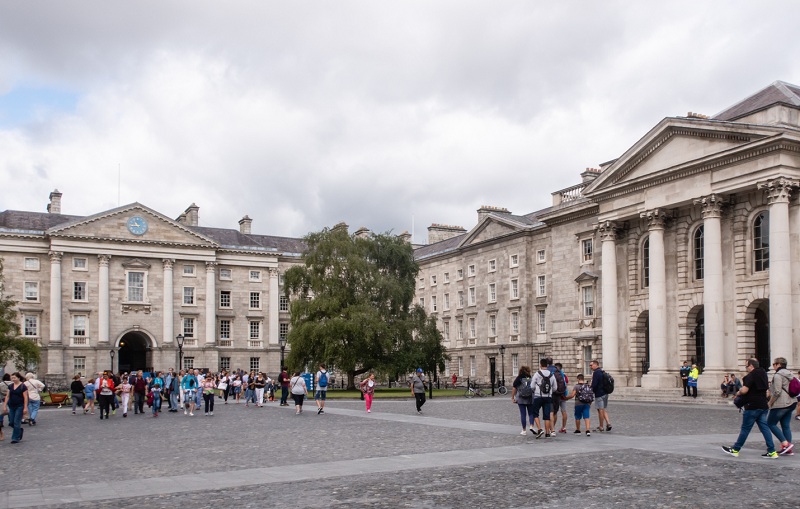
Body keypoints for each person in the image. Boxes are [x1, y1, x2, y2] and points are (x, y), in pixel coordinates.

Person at [722, 358, 777, 458]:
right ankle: (772, 451)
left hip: (752, 406)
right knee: (765, 429)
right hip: (763, 405)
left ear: (751, 366)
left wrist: (738, 392)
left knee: (745, 429)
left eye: (746, 366)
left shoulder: (751, 376)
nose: (746, 368)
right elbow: (767, 390)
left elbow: (744, 390)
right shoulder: (764, 374)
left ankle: (735, 449)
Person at [767, 357, 796, 455]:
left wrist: (770, 402)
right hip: (792, 402)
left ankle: (786, 444)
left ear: (778, 364)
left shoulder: (778, 375)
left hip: (781, 403)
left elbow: (777, 391)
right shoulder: (790, 374)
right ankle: (788, 449)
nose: (773, 366)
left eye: (774, 364)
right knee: (785, 425)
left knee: (770, 423)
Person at [531, 359, 556, 438]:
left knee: (535, 413)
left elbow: (532, 386)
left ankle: (539, 429)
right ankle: (547, 432)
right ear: (547, 365)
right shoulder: (551, 375)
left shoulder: (537, 374)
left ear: (540, 365)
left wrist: (536, 389)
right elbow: (555, 387)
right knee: (547, 415)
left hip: (538, 396)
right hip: (548, 397)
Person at [3, 372, 29, 444]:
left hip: (20, 406)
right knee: (11, 422)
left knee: (16, 422)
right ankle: (19, 430)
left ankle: (15, 438)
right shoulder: (10, 386)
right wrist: (5, 405)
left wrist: (25, 407)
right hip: (11, 406)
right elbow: (7, 396)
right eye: (12, 378)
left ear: (19, 378)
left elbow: (25, 397)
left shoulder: (23, 386)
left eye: (14, 378)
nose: (13, 379)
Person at [511, 366, 535, 435]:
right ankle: (531, 425)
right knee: (531, 413)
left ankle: (524, 430)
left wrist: (513, 397)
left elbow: (514, 388)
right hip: (530, 398)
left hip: (521, 398)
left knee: (523, 414)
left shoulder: (519, 378)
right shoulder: (530, 378)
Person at [590, 360, 612, 432]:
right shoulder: (603, 372)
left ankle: (601, 426)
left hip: (599, 394)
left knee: (600, 410)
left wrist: (591, 390)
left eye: (591, 365)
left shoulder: (596, 373)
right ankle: (608, 423)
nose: (590, 367)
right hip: (605, 393)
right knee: (603, 409)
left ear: (596, 365)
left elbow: (594, 384)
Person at [552, 362, 569, 433]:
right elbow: (566, 384)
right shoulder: (564, 375)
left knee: (554, 412)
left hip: (556, 395)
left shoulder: (553, 374)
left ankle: (552, 428)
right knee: (564, 411)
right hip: (563, 395)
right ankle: (564, 427)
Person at [0, 373, 12, 440]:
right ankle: (11, 421)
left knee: (2, 411)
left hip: (3, 397)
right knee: (10, 409)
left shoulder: (1, 384)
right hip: (10, 398)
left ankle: (1, 421)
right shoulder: (12, 384)